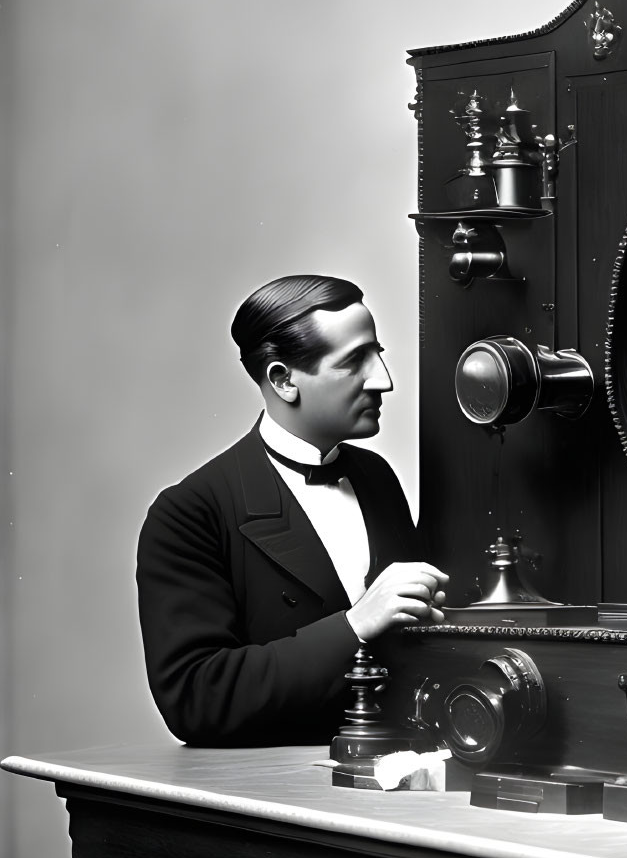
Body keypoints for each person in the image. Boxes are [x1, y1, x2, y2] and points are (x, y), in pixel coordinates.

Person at [137, 275, 449, 745]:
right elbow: (195, 698)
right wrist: (354, 626)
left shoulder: (377, 478)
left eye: (377, 352)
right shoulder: (189, 513)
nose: (383, 379)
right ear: (283, 380)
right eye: (354, 361)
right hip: (277, 796)